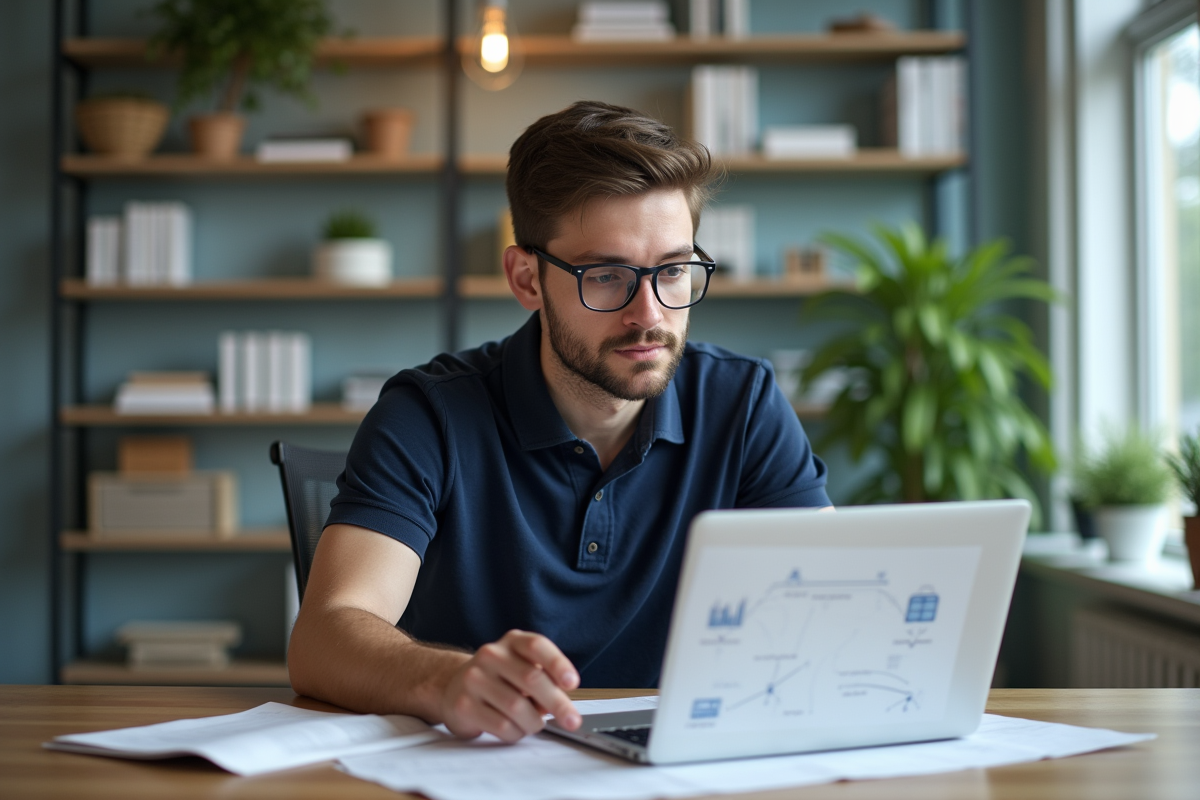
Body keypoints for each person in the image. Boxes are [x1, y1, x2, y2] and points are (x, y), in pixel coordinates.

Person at [287, 100, 830, 744]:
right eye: (607, 276)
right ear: (527, 279)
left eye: (673, 271)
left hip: (679, 762)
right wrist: (445, 680)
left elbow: (831, 602)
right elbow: (324, 634)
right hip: (483, 764)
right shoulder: (428, 414)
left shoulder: (744, 403)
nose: (649, 314)